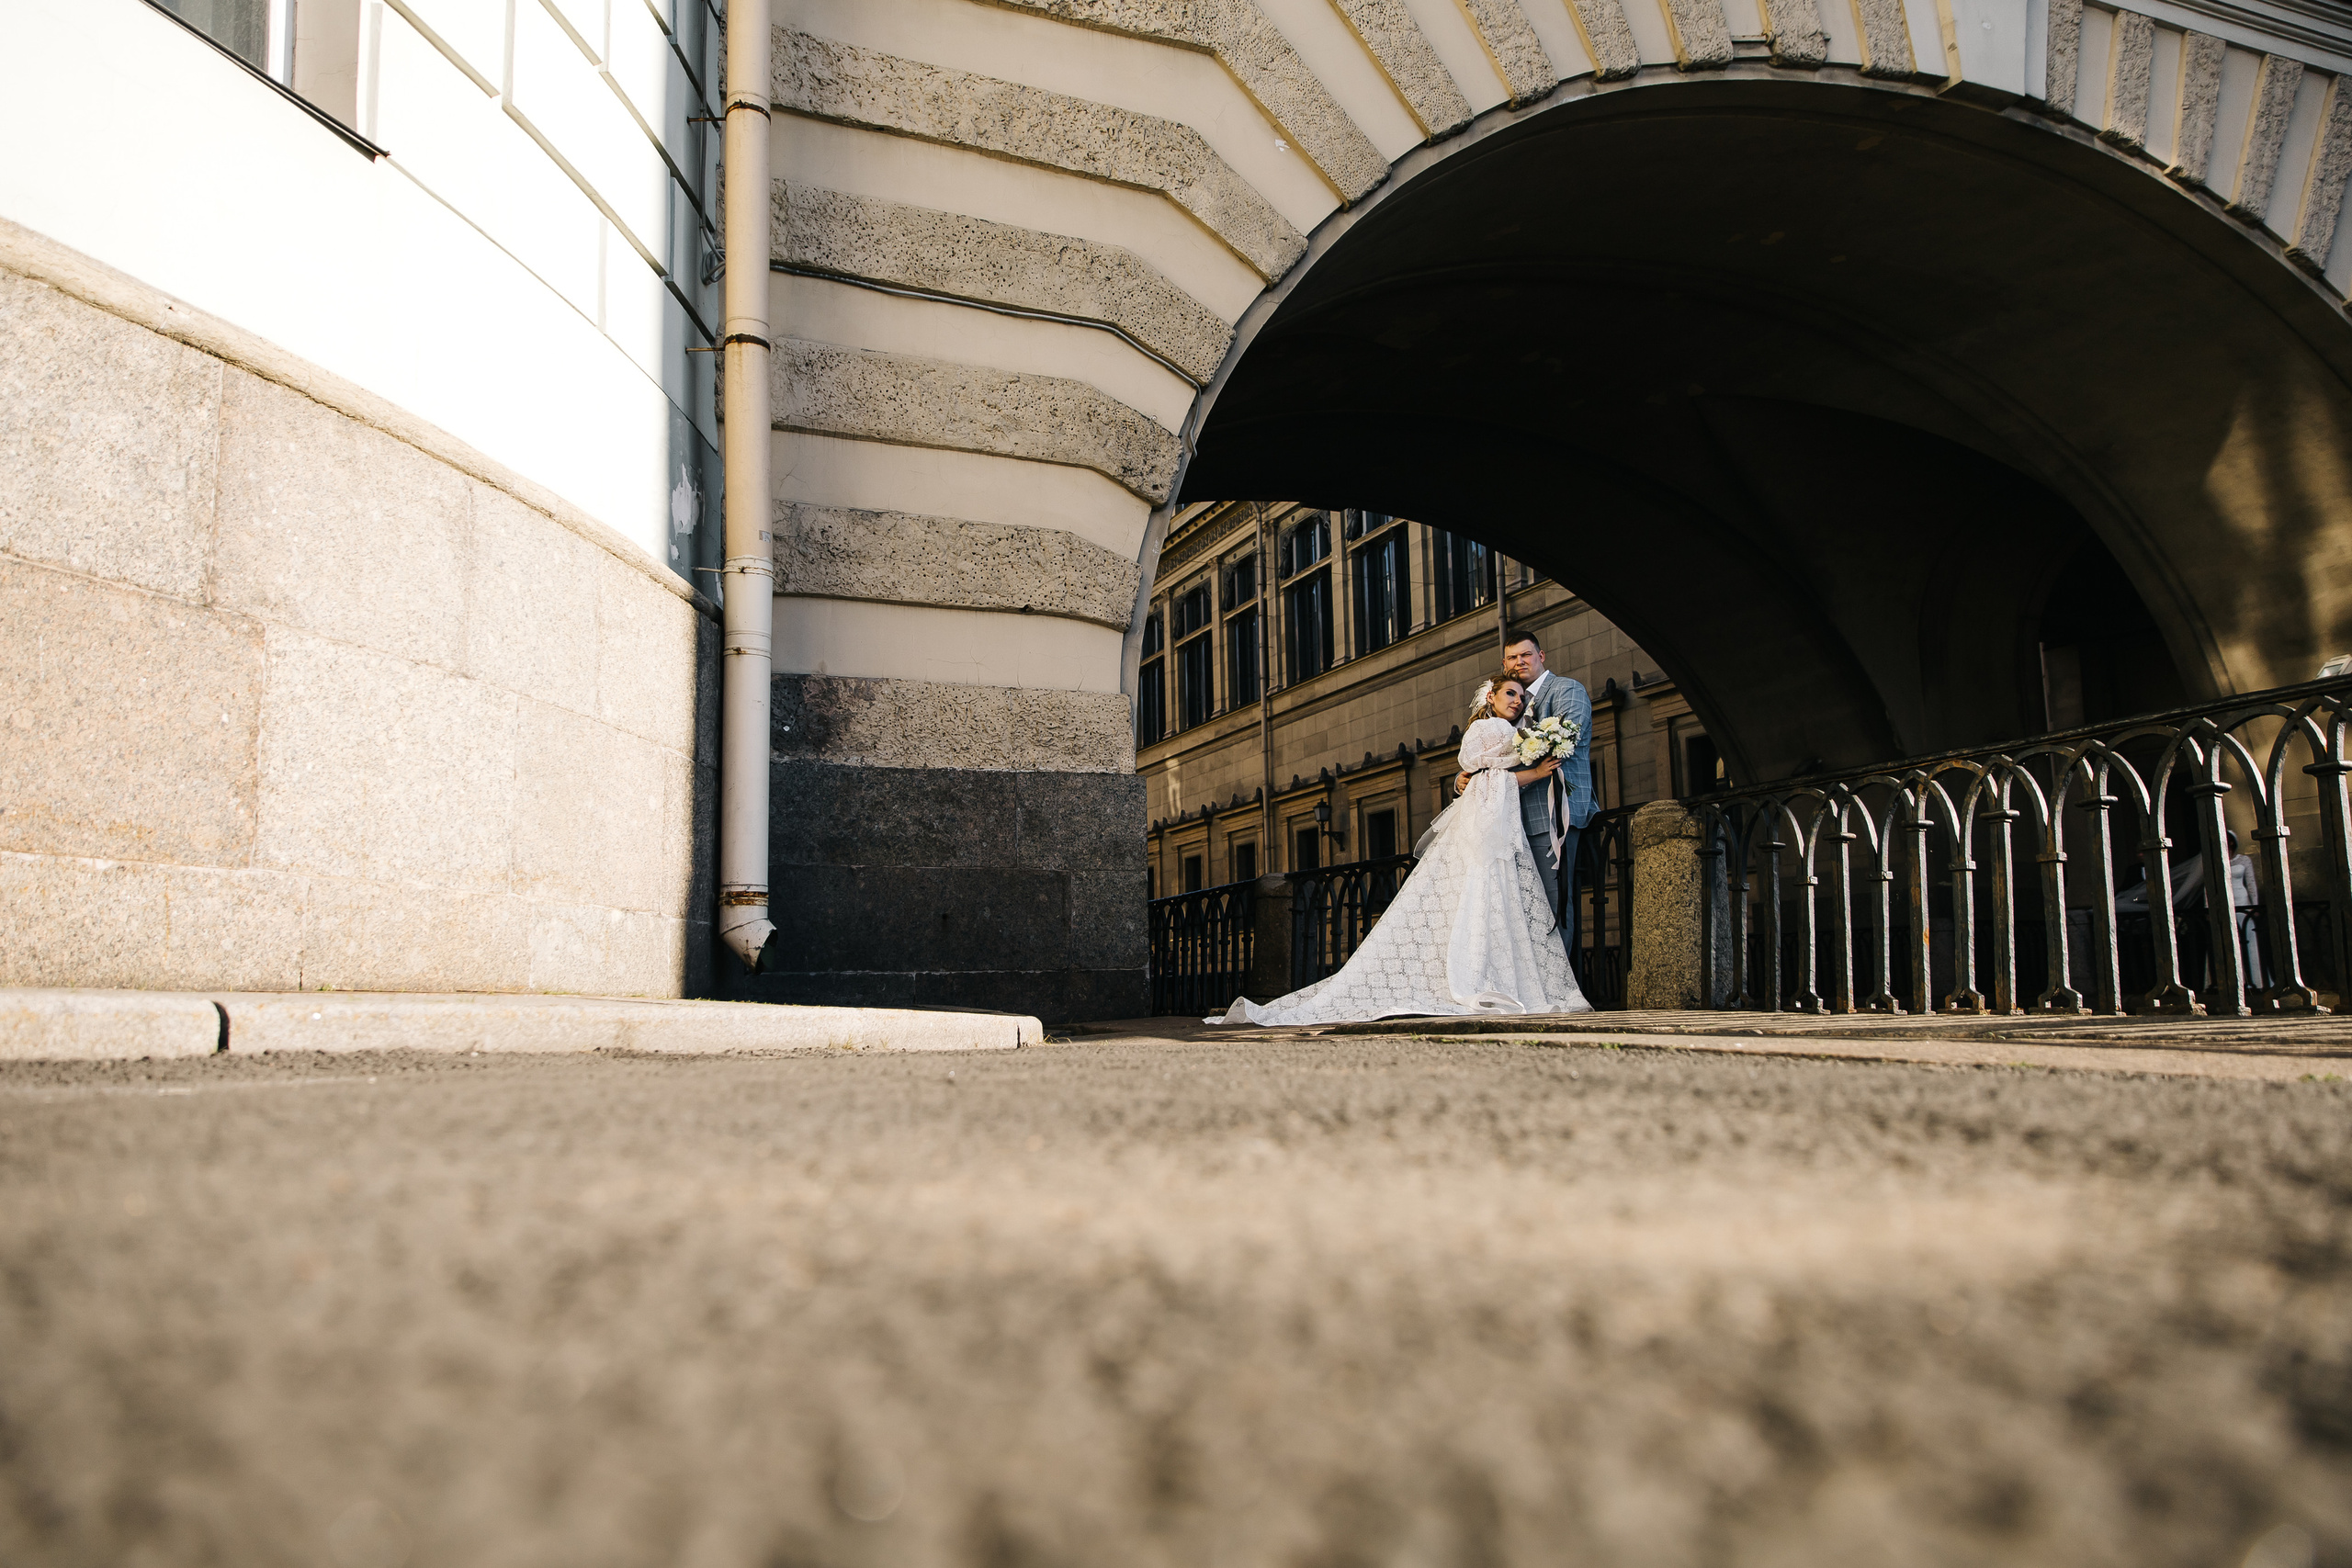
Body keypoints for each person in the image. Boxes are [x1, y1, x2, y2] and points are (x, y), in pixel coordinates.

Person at [1211, 672, 1592, 1026]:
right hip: (1489, 829)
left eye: (1522, 696)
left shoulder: (1510, 730)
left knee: (1488, 901)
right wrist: (1534, 771)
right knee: (1486, 898)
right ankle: (1483, 977)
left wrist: (1505, 769)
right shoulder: (1490, 728)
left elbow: (1487, 776)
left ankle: (1492, 974)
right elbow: (1492, 777)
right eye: (1510, 693)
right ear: (1491, 697)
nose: (1518, 701)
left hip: (1497, 825)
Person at [1455, 628, 1593, 963]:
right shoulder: (1508, 707)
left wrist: (1490, 770)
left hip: (1551, 815)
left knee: (1553, 903)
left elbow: (1564, 741)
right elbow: (1490, 753)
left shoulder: (1565, 690)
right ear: (1504, 663)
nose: (1520, 662)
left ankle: (1561, 989)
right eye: (1512, 657)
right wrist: (1467, 777)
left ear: (1541, 656)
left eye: (1526, 655)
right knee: (1518, 910)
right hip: (1507, 823)